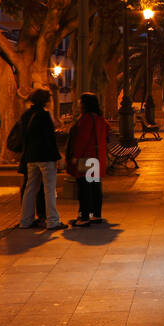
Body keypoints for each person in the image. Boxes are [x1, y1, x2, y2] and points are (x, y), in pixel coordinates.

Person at [19, 88, 65, 230]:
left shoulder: (27, 114)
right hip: (45, 156)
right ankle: (52, 220)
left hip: (31, 156)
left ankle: (25, 220)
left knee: (30, 188)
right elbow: (50, 138)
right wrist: (57, 157)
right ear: (45, 100)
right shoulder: (44, 115)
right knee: (49, 189)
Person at [67, 92, 109, 226]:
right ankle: (96, 215)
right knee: (95, 187)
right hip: (97, 158)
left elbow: (82, 140)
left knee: (84, 188)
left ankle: (84, 217)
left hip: (87, 158)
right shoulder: (100, 118)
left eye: (80, 103)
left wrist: (75, 156)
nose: (79, 105)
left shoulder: (86, 119)